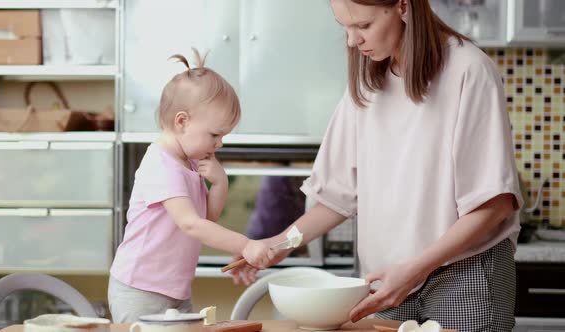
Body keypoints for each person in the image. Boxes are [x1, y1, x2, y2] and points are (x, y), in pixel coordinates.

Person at [235, 1, 523, 331]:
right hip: (389, 280)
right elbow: (334, 198)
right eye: (344, 27)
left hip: (463, 274)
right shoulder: (367, 79)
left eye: (363, 26)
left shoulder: (469, 70)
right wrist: (279, 245)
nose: (351, 41)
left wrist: (417, 269)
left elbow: (495, 204)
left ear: (402, 6)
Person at [108, 49, 270, 323]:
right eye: (215, 134)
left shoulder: (190, 163)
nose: (219, 144)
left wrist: (220, 183)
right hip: (141, 289)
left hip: (174, 289)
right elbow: (192, 225)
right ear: (182, 122)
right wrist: (245, 244)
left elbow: (207, 220)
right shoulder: (162, 165)